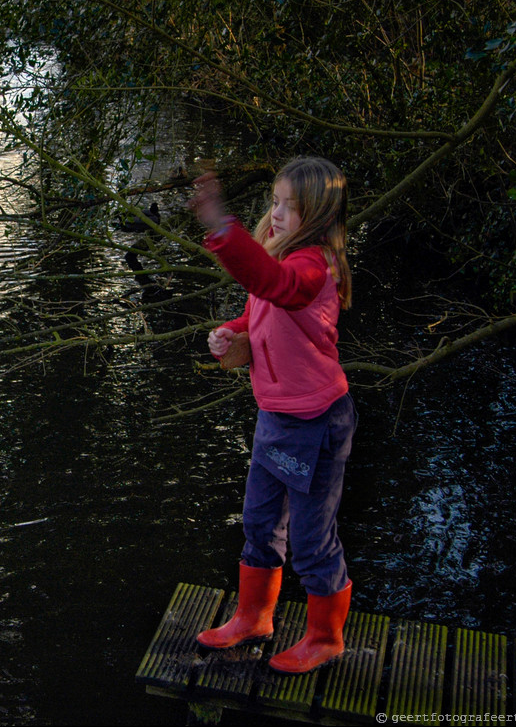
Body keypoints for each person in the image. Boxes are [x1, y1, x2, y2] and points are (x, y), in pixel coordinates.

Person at [187, 156, 357, 674]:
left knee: (310, 540)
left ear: (319, 217)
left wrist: (222, 228)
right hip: (277, 417)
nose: (277, 213)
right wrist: (231, 331)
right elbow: (261, 309)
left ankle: (325, 637)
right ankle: (254, 617)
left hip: (316, 425)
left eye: (291, 207)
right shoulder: (279, 259)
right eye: (276, 202)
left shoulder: (311, 267)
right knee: (260, 523)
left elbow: (277, 288)